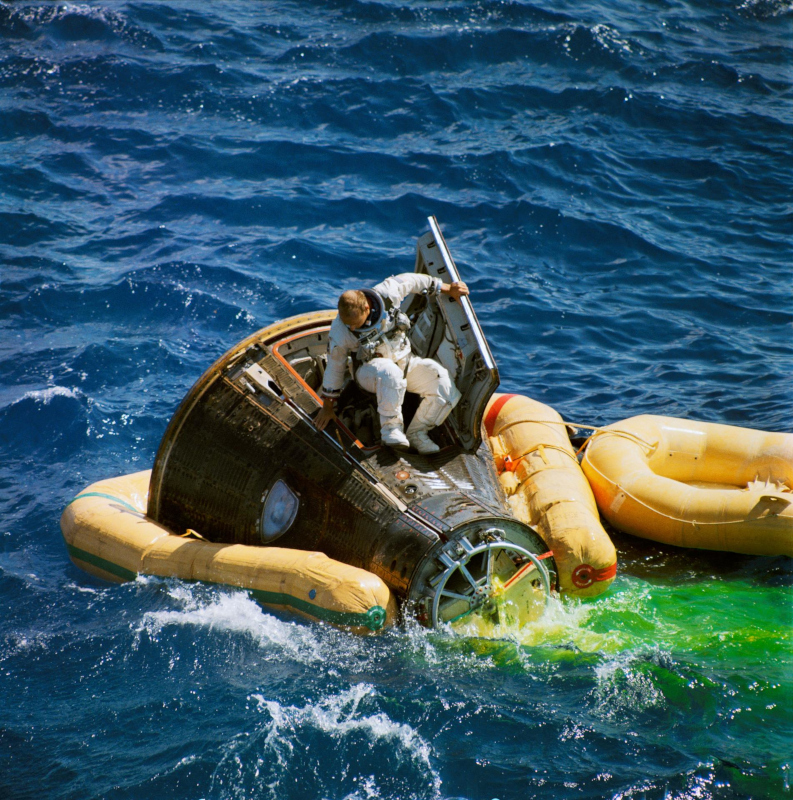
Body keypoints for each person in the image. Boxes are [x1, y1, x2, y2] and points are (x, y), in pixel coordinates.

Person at [314, 273, 469, 454]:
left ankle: (417, 433)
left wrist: (448, 288)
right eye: (349, 326)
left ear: (366, 307)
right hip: (368, 371)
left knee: (442, 383)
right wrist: (327, 408)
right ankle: (391, 429)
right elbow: (335, 367)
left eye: (355, 323)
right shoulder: (340, 330)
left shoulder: (388, 293)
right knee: (390, 373)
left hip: (404, 362)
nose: (353, 329)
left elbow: (414, 281)